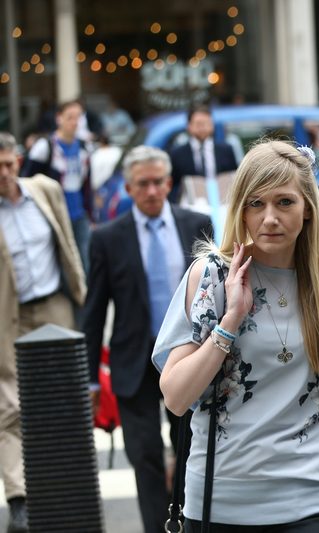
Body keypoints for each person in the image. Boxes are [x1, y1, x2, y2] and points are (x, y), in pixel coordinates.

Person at [152, 140, 319, 531]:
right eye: (256, 203)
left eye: (285, 202)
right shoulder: (212, 276)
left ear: (309, 210)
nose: (269, 218)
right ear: (241, 210)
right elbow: (177, 398)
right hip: (220, 504)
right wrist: (230, 321)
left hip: (308, 503)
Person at [81, 146, 213, 533]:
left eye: (159, 182)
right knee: (145, 457)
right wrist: (89, 378)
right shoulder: (107, 238)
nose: (153, 190)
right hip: (133, 363)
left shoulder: (196, 224)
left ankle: (188, 524)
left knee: (189, 451)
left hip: (187, 358)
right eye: (144, 184)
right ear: (128, 188)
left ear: (169, 184)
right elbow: (93, 312)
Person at [0, 132, 86, 533]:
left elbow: (67, 239)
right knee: (10, 404)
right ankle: (19, 498)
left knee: (64, 398)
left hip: (54, 304)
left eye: (7, 164)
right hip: (9, 313)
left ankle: (65, 485)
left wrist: (79, 289)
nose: (3, 174)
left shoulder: (45, 190)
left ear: (17, 161)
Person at [21, 99, 94, 275]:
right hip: (53, 215)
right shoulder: (45, 146)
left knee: (83, 262)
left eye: (78, 117)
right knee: (58, 264)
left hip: (79, 214)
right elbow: (27, 181)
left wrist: (90, 214)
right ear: (59, 119)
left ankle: (83, 300)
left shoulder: (84, 147)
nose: (75, 122)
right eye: (70, 117)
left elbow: (87, 185)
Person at [167, 105, 237, 204]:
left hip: (221, 203)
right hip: (190, 205)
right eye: (199, 124)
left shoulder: (226, 150)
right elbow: (172, 186)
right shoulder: (177, 153)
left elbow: (233, 179)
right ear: (189, 126)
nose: (203, 127)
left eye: (207, 123)